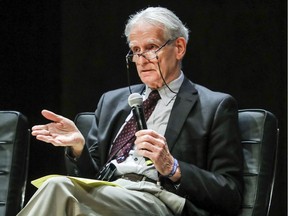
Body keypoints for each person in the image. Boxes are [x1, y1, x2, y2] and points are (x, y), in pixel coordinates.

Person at [18, 6, 243, 216]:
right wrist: (79, 147)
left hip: (159, 199)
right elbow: (92, 175)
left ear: (179, 48)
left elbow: (230, 193)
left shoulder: (214, 107)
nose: (141, 59)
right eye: (135, 50)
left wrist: (172, 167)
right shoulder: (112, 101)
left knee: (57, 187)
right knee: (62, 195)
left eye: (151, 48)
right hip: (110, 192)